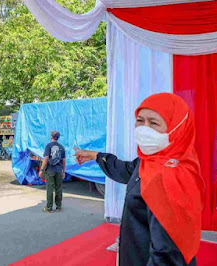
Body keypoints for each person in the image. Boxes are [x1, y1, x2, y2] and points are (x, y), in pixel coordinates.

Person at [74, 93, 204, 265]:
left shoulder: (171, 176)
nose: (144, 128)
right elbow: (127, 170)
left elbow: (168, 256)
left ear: (176, 127)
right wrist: (96, 156)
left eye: (154, 122)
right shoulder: (151, 161)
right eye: (140, 120)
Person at [39, 131, 66, 213]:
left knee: (50, 189)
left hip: (50, 170)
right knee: (58, 188)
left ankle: (49, 207)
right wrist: (63, 171)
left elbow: (46, 158)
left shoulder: (48, 146)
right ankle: (58, 206)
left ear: (51, 137)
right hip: (58, 170)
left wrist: (41, 169)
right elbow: (64, 161)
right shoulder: (62, 147)